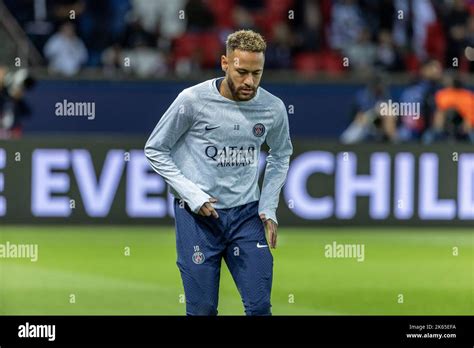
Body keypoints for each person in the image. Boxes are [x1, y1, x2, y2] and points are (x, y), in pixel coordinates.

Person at [144, 30, 293, 316]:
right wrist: (191, 194)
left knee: (260, 308)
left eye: (257, 73)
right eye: (241, 72)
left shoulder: (273, 108)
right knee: (202, 311)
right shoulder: (192, 100)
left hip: (246, 217)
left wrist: (269, 205)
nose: (249, 81)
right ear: (225, 63)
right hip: (198, 218)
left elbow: (281, 153)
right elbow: (155, 149)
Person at [0, 68, 36, 139]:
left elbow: (27, 112)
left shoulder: (18, 103)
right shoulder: (3, 96)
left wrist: (17, 99)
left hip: (10, 138)